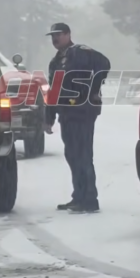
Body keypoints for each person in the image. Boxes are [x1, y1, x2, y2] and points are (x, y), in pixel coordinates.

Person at [44, 22, 110, 213]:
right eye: (53, 36)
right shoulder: (56, 62)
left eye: (58, 35)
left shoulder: (81, 52)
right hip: (67, 113)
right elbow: (54, 90)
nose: (55, 39)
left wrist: (92, 89)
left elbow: (104, 64)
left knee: (83, 155)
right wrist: (49, 117)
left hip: (82, 112)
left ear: (68, 34)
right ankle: (78, 196)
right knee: (72, 155)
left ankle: (89, 200)